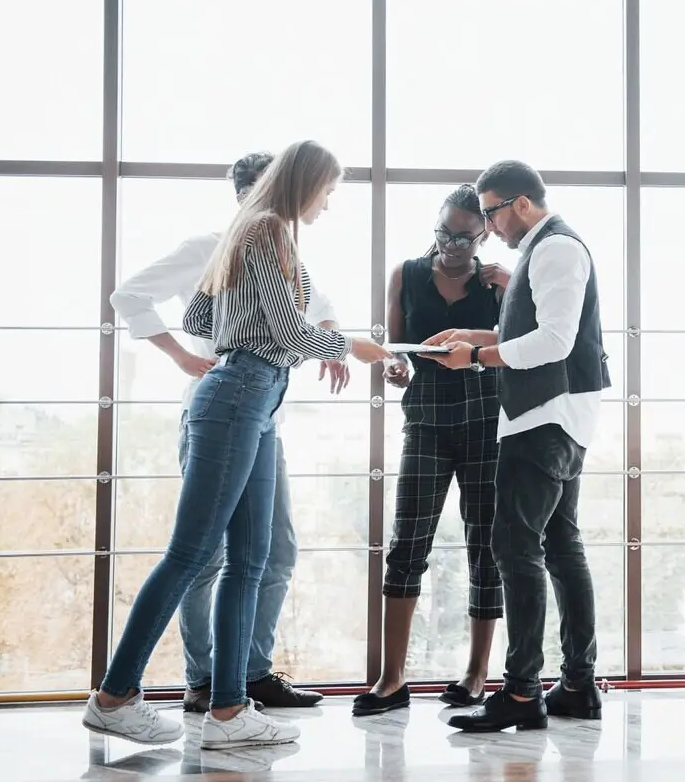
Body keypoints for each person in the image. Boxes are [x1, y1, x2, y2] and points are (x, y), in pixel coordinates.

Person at [83, 140, 392, 749]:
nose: (329, 204)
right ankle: (115, 696)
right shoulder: (268, 230)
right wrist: (350, 347)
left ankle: (228, 712)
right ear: (305, 182)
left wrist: (268, 327)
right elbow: (281, 330)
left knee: (250, 560)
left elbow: (200, 320)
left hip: (254, 397)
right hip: (238, 395)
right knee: (192, 555)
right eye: (328, 191)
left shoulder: (247, 234)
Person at [424, 159, 610, 732]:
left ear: (520, 204)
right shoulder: (546, 248)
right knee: (559, 546)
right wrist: (475, 338)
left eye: (490, 213)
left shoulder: (554, 248)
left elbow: (554, 342)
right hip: (558, 415)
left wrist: (477, 358)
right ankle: (577, 685)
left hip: (544, 417)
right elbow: (535, 334)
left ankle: (523, 694)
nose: (487, 228)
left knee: (515, 547)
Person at [352, 185, 511, 717]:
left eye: (464, 237)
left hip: (487, 419)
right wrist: (393, 368)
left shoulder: (497, 284)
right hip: (425, 419)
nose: (451, 245)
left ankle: (475, 674)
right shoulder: (406, 274)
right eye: (444, 233)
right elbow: (394, 351)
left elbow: (522, 345)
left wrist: (507, 292)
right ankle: (391, 678)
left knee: (485, 545)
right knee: (408, 542)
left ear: (483, 233)